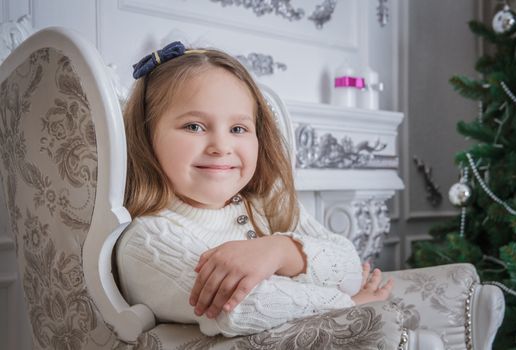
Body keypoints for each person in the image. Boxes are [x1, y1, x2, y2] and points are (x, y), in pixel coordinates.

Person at [116, 41, 394, 337]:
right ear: (146, 137)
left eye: (238, 129)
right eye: (194, 126)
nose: (221, 147)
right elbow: (244, 306)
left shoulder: (265, 203)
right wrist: (349, 304)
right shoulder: (148, 242)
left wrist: (279, 251)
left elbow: (351, 267)